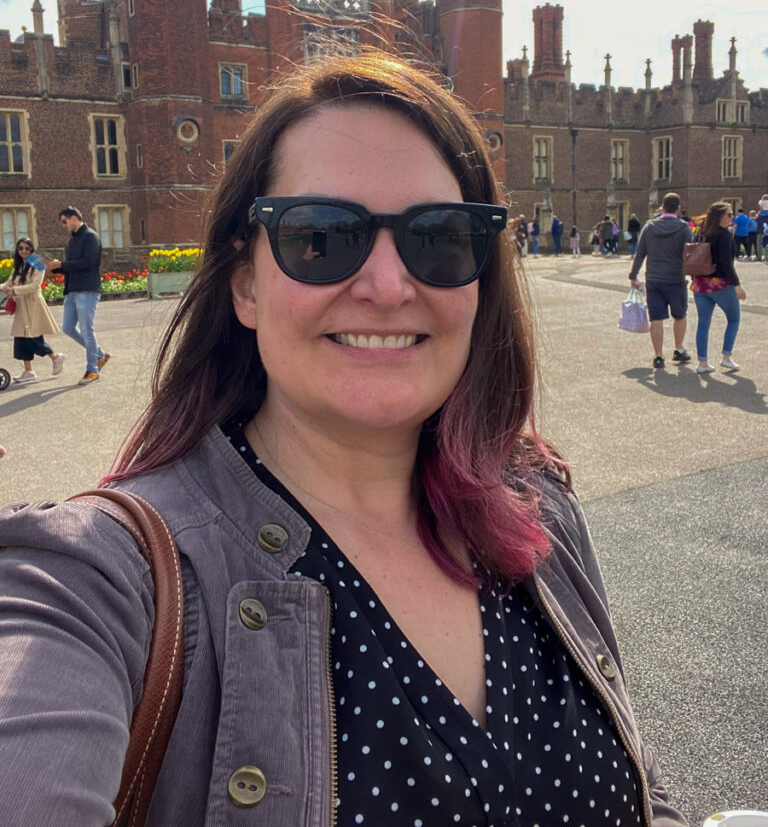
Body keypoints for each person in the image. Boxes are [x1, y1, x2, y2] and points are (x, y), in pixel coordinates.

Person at [0, 53, 686, 827]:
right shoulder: (100, 580)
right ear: (246, 283)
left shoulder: (538, 507)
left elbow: (640, 790)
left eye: (441, 238)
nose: (389, 287)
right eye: (322, 236)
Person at [44, 206, 110, 385]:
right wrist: (57, 268)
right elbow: (73, 266)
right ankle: (100, 354)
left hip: (87, 290)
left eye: (64, 221)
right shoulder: (72, 241)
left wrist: (63, 264)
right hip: (72, 290)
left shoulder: (90, 236)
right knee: (68, 327)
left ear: (74, 218)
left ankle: (92, 370)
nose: (64, 226)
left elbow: (88, 263)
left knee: (87, 330)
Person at [629, 192, 693, 368]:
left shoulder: (649, 227)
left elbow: (640, 253)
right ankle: (678, 350)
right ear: (678, 209)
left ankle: (658, 356)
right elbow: (690, 255)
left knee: (656, 318)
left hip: (654, 279)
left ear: (662, 207)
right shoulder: (684, 228)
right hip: (675, 278)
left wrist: (633, 275)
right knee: (680, 315)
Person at [690, 201, 746, 374]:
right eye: (729, 214)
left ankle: (702, 362)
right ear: (720, 217)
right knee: (734, 319)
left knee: (703, 323)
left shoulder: (701, 233)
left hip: (700, 284)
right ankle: (726, 357)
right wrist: (737, 285)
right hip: (720, 284)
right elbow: (727, 264)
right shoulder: (723, 236)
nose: (732, 217)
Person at [0, 237, 65, 384]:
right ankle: (29, 371)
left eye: (27, 248)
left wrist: (13, 289)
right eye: (20, 248)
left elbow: (35, 286)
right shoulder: (19, 265)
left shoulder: (38, 262)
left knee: (32, 337)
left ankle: (56, 357)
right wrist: (4, 286)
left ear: (32, 249)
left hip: (33, 304)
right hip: (22, 305)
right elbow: (9, 282)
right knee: (21, 338)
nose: (23, 251)